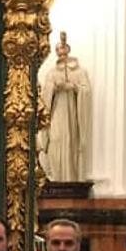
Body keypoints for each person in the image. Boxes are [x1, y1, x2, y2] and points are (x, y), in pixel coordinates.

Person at [38, 32, 91, 182]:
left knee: (69, 144)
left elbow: (85, 90)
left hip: (71, 116)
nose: (60, 54)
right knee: (55, 141)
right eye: (58, 51)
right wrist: (54, 87)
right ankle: (55, 176)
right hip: (56, 114)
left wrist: (73, 87)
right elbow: (45, 97)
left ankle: (70, 177)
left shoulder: (79, 72)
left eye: (63, 50)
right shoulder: (52, 74)